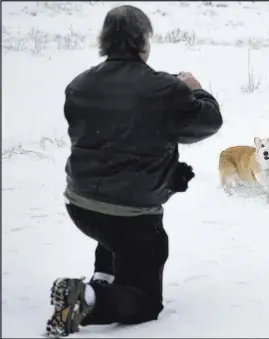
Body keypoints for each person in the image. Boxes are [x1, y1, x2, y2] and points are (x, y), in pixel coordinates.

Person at [45, 5, 223, 337]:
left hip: (80, 206)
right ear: (143, 41)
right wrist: (194, 89)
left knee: (113, 223)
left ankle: (103, 275)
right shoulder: (163, 90)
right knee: (144, 300)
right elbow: (208, 122)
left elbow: (113, 127)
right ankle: (88, 298)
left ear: (104, 41)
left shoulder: (79, 84)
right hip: (133, 217)